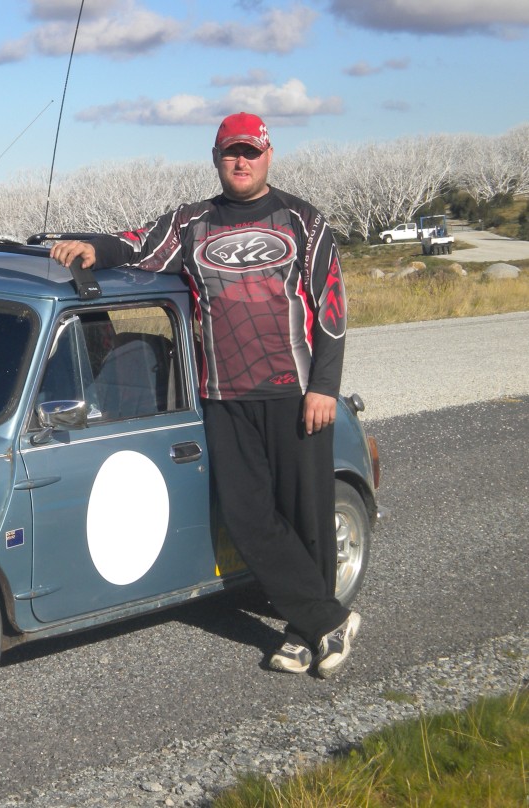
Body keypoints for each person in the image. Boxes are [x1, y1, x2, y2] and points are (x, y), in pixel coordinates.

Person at [50, 111, 359, 678]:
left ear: (268, 155)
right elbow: (137, 245)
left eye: (250, 152)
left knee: (306, 515)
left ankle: (303, 629)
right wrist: (92, 247)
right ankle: (325, 619)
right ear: (215, 158)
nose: (240, 162)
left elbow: (332, 310)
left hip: (294, 393)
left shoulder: (305, 222)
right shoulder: (192, 222)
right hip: (224, 394)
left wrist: (325, 387)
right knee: (246, 516)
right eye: (229, 153)